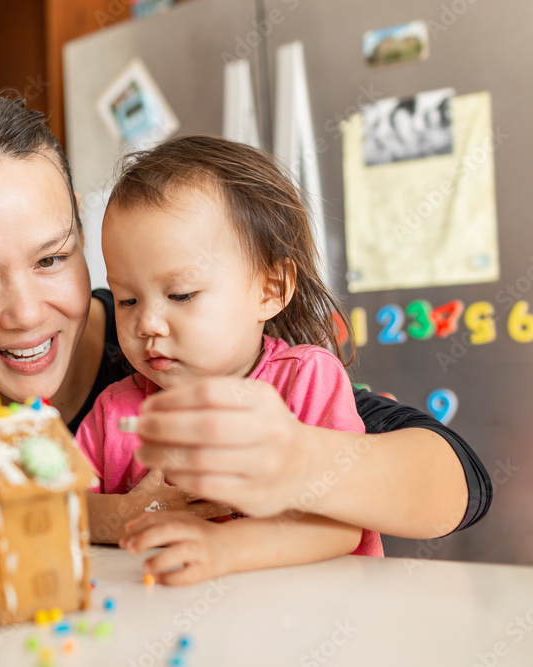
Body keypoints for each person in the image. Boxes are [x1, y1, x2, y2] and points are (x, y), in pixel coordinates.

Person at [0, 92, 489, 580]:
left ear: (80, 234)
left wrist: (304, 463)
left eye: (53, 258)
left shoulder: (206, 351)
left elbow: (459, 477)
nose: (27, 313)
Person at [77, 135, 382, 585]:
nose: (148, 323)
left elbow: (338, 524)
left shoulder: (305, 381)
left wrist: (224, 549)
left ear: (270, 289)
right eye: (126, 299)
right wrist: (120, 514)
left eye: (180, 294)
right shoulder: (115, 411)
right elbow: (54, 505)